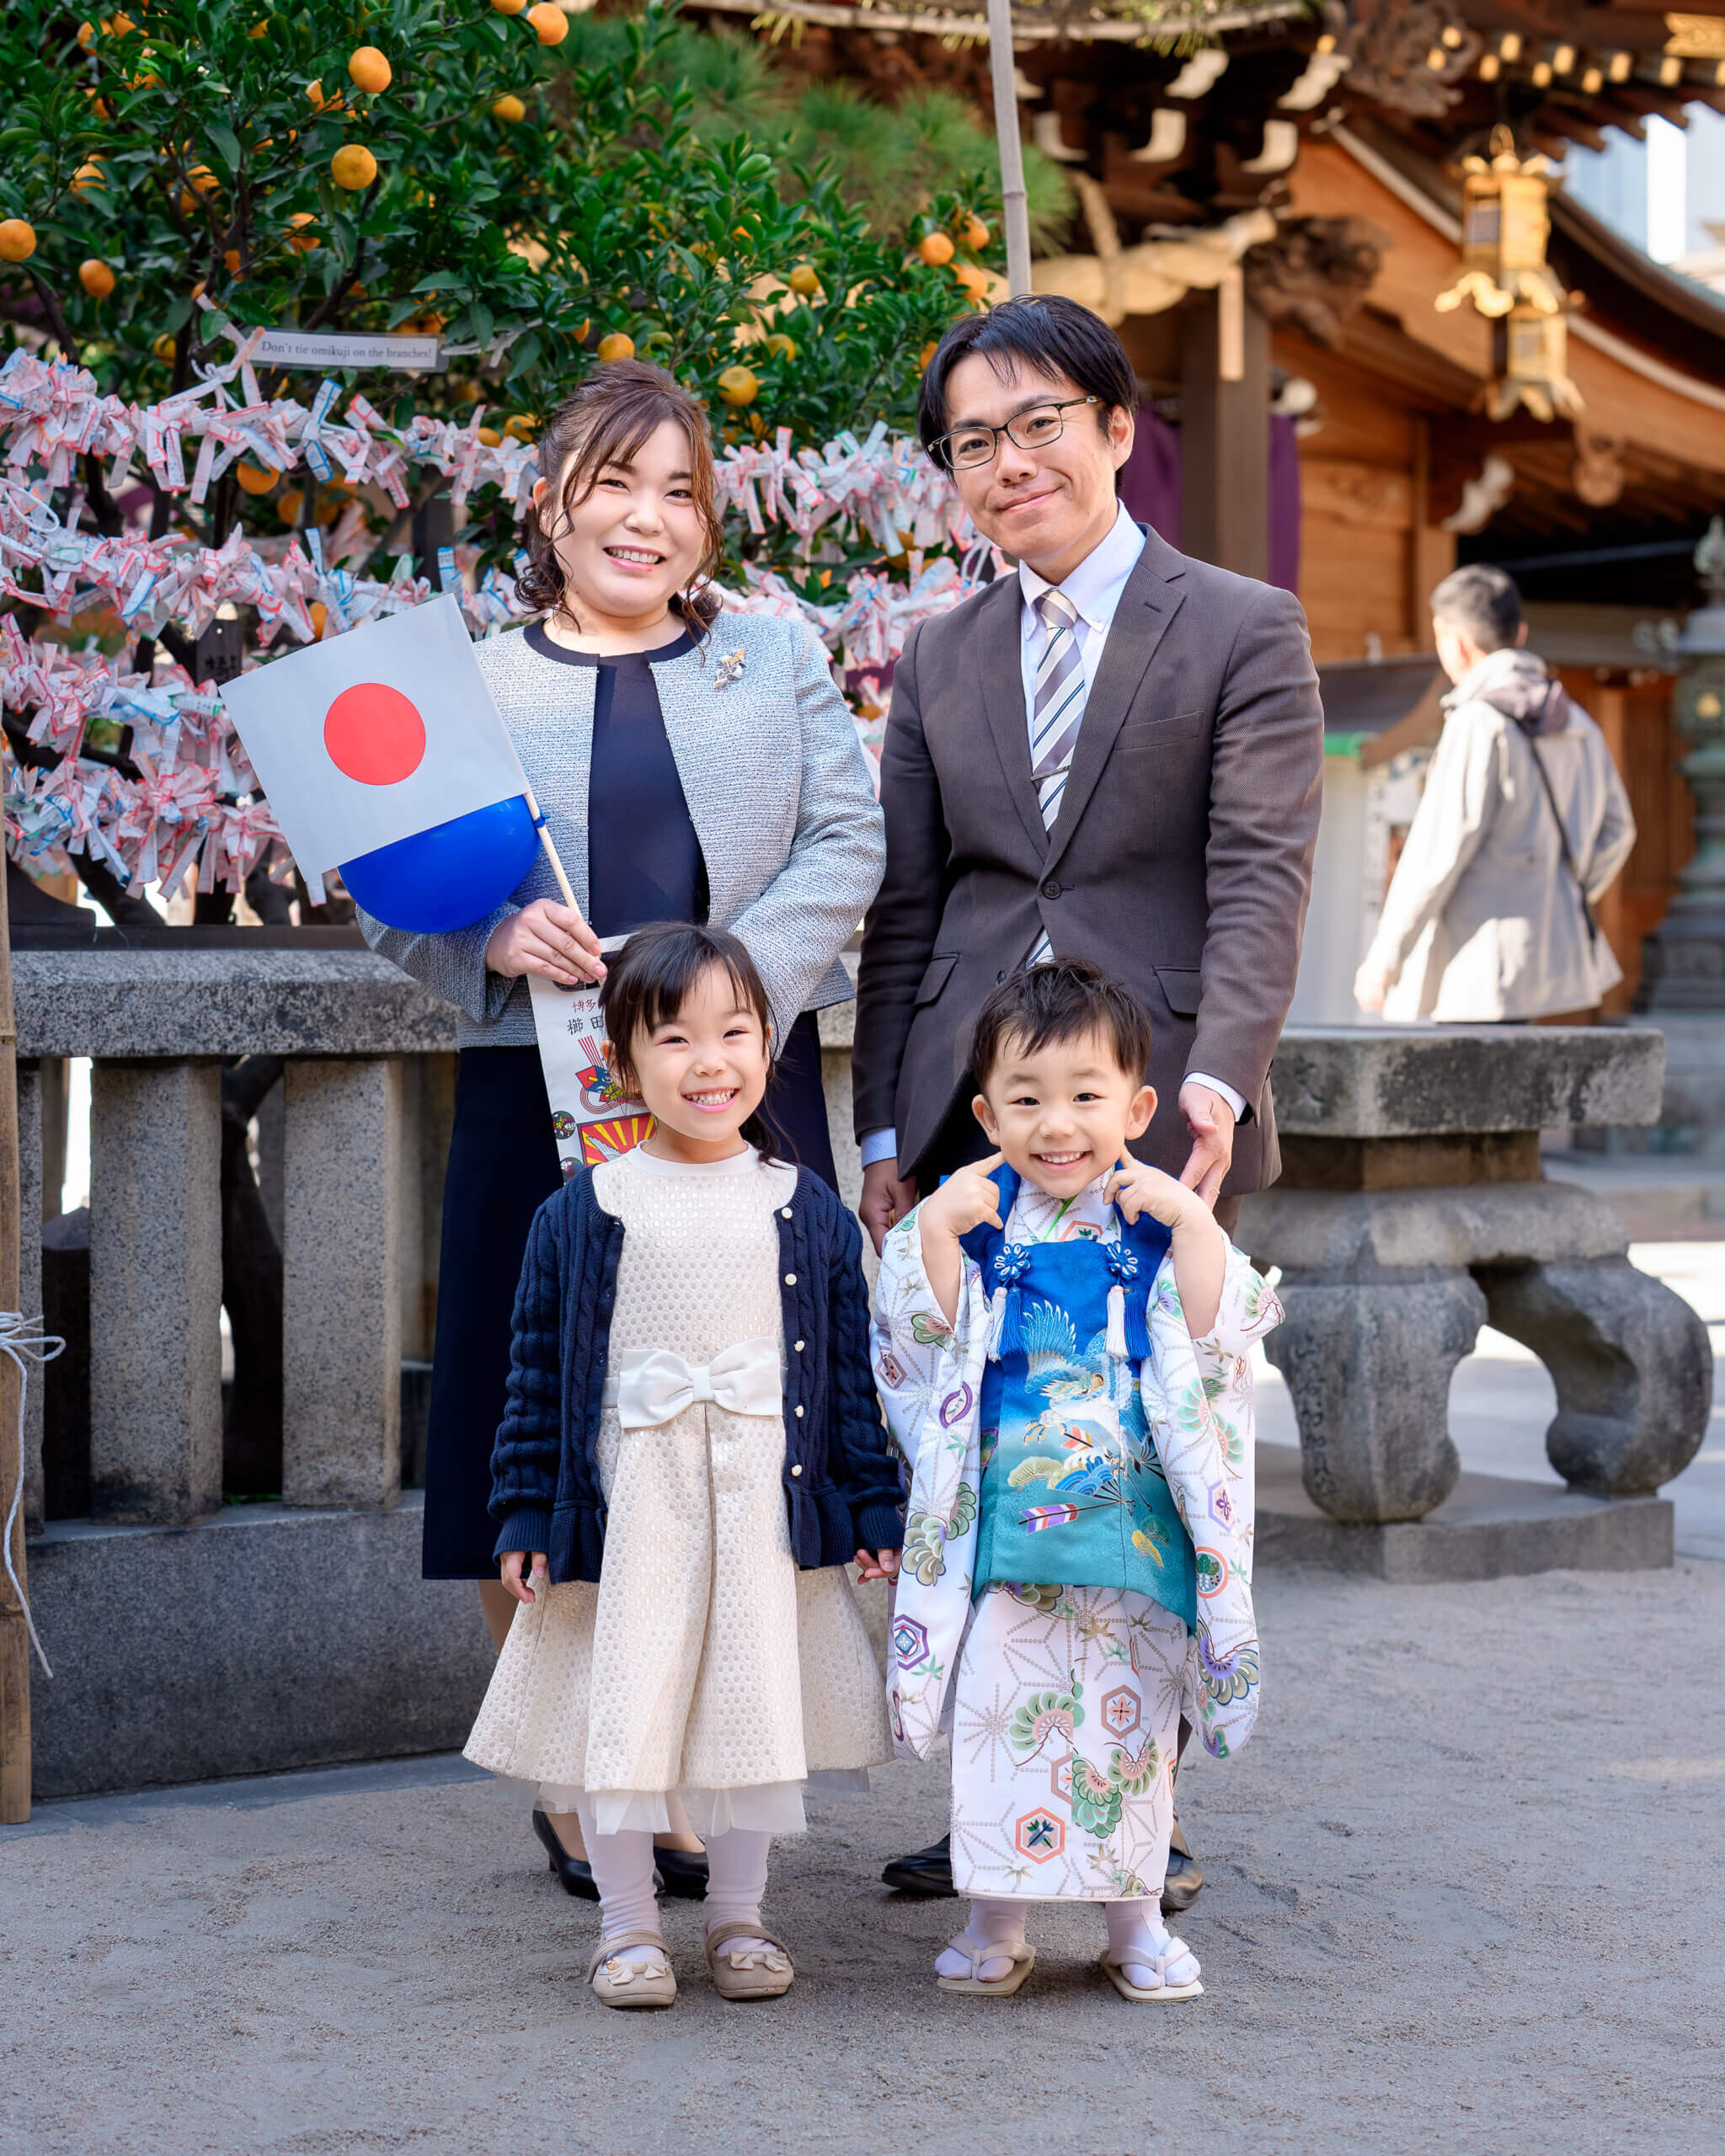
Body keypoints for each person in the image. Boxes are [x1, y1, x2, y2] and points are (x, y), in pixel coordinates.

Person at [360, 361, 884, 1901]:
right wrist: (489, 941)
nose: (645, 518)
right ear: (549, 503)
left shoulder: (773, 660)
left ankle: (718, 1751)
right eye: (612, 484)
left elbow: (850, 838)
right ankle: (571, 1767)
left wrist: (732, 1000)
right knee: (531, 1416)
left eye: (677, 489)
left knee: (735, 1417)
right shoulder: (469, 684)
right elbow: (384, 891)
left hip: (744, 1090)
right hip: (540, 1102)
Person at [852, 293, 1323, 1903]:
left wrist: (1210, 1083)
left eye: (1037, 422)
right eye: (971, 440)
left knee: (1141, 1471)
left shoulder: (1240, 626)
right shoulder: (940, 654)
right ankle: (1001, 1800)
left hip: (1147, 1117)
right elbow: (908, 906)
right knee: (977, 1463)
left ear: (1118, 430)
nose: (1007, 462)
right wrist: (877, 1127)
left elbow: (1258, 875)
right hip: (975, 1124)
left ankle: (1135, 1817)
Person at [465, 922, 904, 2009]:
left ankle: (742, 1918)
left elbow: (848, 1377)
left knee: (753, 1713)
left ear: (772, 1043)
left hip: (762, 1507)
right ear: (621, 1063)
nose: (710, 1062)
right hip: (633, 1510)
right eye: (675, 1039)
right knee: (627, 1710)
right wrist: (526, 1511)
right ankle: (626, 1928)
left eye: (736, 1033)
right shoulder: (583, 1211)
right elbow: (535, 1375)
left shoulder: (806, 1209)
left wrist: (870, 1502)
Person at [873, 961, 1279, 2000]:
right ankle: (994, 1921)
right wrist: (929, 1233)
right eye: (1025, 1098)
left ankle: (1132, 1923)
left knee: (1128, 1733)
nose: (1057, 1124)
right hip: (1008, 1528)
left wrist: (1194, 1229)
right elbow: (920, 1349)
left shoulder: (1153, 1218)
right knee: (999, 1725)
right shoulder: (974, 1216)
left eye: (1086, 1095)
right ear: (984, 1111)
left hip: (1129, 1533)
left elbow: (1215, 1340)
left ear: (1138, 1106)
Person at [1354, 564, 1636, 1022]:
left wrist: (1385, 958)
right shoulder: (1577, 721)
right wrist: (1562, 889)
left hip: (1475, 968)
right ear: (1520, 633)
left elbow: (1436, 853)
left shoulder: (1477, 722)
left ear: (1456, 644)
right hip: (1553, 964)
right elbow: (1619, 830)